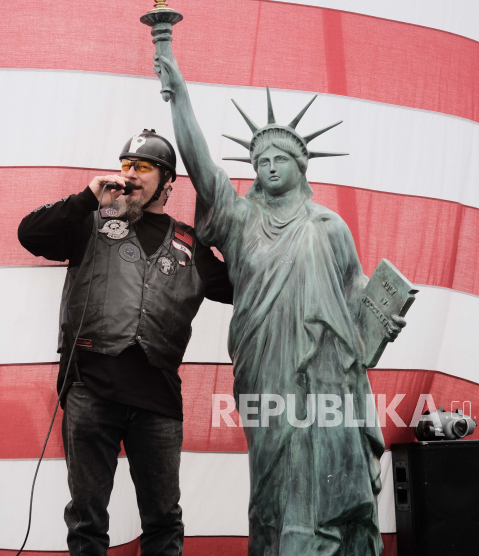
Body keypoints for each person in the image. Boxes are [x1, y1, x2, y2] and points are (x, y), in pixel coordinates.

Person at [152, 53, 406, 555]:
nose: (268, 168)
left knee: (330, 472)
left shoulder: (329, 227)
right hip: (265, 364)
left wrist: (384, 319)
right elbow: (203, 169)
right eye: (261, 161)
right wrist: (180, 96)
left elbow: (356, 293)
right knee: (274, 473)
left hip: (330, 372)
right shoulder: (238, 219)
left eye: (279, 160)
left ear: (300, 166)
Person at [18, 129, 233, 556]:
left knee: (163, 519)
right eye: (126, 165)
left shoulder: (191, 244)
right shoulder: (91, 220)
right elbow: (30, 234)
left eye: (143, 167)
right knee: (87, 518)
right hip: (91, 389)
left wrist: (234, 235)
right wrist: (86, 197)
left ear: (167, 181)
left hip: (158, 398)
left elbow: (241, 288)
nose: (130, 174)